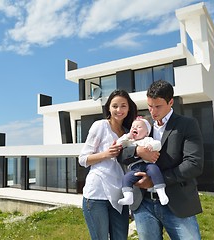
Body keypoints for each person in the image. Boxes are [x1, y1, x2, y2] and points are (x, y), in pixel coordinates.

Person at [118, 80, 204, 240]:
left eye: (158, 106)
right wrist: (138, 150)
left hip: (177, 201)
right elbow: (121, 154)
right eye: (150, 106)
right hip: (143, 203)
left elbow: (194, 164)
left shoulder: (187, 124)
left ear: (170, 102)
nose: (152, 111)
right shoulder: (143, 125)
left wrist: (155, 181)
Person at [79, 89, 138, 240]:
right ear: (109, 108)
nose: (119, 110)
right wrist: (107, 153)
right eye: (115, 106)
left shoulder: (128, 132)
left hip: (119, 195)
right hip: (97, 194)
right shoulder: (100, 126)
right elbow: (83, 159)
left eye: (123, 106)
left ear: (129, 108)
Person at [117, 117, 169, 206]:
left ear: (147, 133)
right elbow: (119, 144)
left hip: (147, 164)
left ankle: (161, 192)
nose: (135, 128)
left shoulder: (148, 140)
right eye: (133, 127)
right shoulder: (129, 142)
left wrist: (151, 146)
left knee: (154, 170)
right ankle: (128, 197)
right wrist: (127, 136)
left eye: (139, 127)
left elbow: (158, 144)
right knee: (126, 178)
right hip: (135, 168)